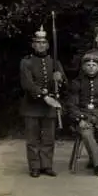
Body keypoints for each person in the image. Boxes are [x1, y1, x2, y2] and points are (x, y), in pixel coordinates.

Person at [20, 25, 66, 177]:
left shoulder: (54, 62)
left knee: (48, 138)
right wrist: (43, 96)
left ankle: (46, 165)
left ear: (47, 45)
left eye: (44, 42)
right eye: (38, 42)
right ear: (33, 45)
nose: (41, 45)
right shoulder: (26, 62)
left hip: (50, 107)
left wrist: (59, 81)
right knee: (32, 138)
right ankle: (34, 166)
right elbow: (27, 84)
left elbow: (64, 84)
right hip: (32, 105)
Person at [66, 53, 98, 177]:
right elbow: (72, 105)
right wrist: (79, 119)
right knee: (87, 134)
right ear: (83, 67)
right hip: (83, 115)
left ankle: (95, 161)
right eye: (88, 65)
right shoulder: (77, 82)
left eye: (94, 65)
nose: (91, 67)